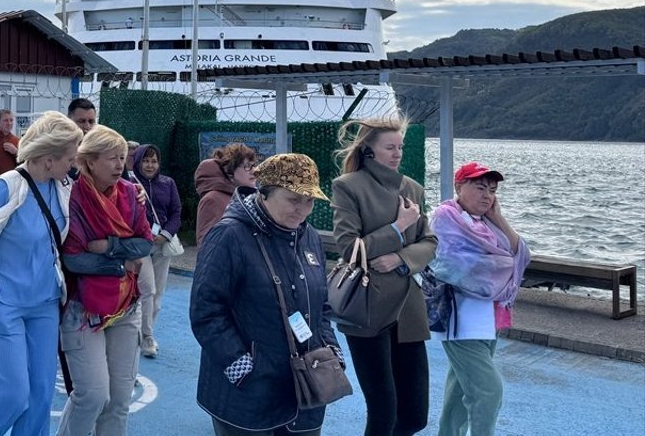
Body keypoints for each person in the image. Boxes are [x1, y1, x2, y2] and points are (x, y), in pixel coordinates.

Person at [191, 153, 344, 436]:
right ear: (264, 193)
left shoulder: (308, 236)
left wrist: (331, 350)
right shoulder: (228, 235)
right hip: (247, 395)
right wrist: (242, 368)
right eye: (293, 199)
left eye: (309, 200)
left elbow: (321, 305)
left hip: (305, 390)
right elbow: (206, 311)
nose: (303, 209)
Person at [0, 111, 83, 436]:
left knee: (41, 396)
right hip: (5, 303)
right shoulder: (7, 187)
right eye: (69, 158)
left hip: (45, 303)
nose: (74, 164)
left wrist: (137, 193)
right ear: (49, 158)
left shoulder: (63, 185)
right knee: (12, 397)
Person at [331, 116, 437, 436]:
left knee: (415, 416)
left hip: (408, 311)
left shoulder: (413, 189)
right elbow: (349, 248)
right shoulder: (347, 186)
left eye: (400, 147)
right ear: (369, 150)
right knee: (383, 414)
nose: (398, 153)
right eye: (390, 147)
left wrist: (401, 259)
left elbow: (430, 242)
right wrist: (398, 227)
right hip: (367, 308)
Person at [55, 125, 155, 436]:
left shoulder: (131, 193)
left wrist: (108, 246)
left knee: (120, 400)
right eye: (112, 158)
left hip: (126, 305)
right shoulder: (72, 196)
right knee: (93, 396)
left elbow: (146, 243)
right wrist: (121, 264)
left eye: (122, 157)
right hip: (83, 308)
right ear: (90, 161)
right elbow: (74, 258)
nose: (119, 165)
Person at [429, 162, 530, 436]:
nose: (487, 196)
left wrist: (499, 219)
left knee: (460, 390)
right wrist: (500, 264)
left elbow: (521, 254)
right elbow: (450, 265)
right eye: (480, 187)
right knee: (488, 391)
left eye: (493, 191)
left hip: (489, 317)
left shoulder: (487, 223)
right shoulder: (446, 217)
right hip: (460, 319)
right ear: (459, 186)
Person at [130, 143, 182, 359]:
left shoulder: (168, 183)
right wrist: (143, 234)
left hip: (162, 244)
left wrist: (166, 234)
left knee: (158, 294)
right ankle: (147, 336)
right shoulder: (130, 183)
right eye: (146, 160)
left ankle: (145, 333)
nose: (150, 165)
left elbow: (176, 212)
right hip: (141, 244)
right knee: (147, 290)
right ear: (138, 161)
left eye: (154, 161)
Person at [194, 143, 259, 246]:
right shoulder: (212, 199)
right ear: (230, 172)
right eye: (247, 166)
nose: (254, 171)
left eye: (254, 165)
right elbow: (208, 246)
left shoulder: (248, 197)